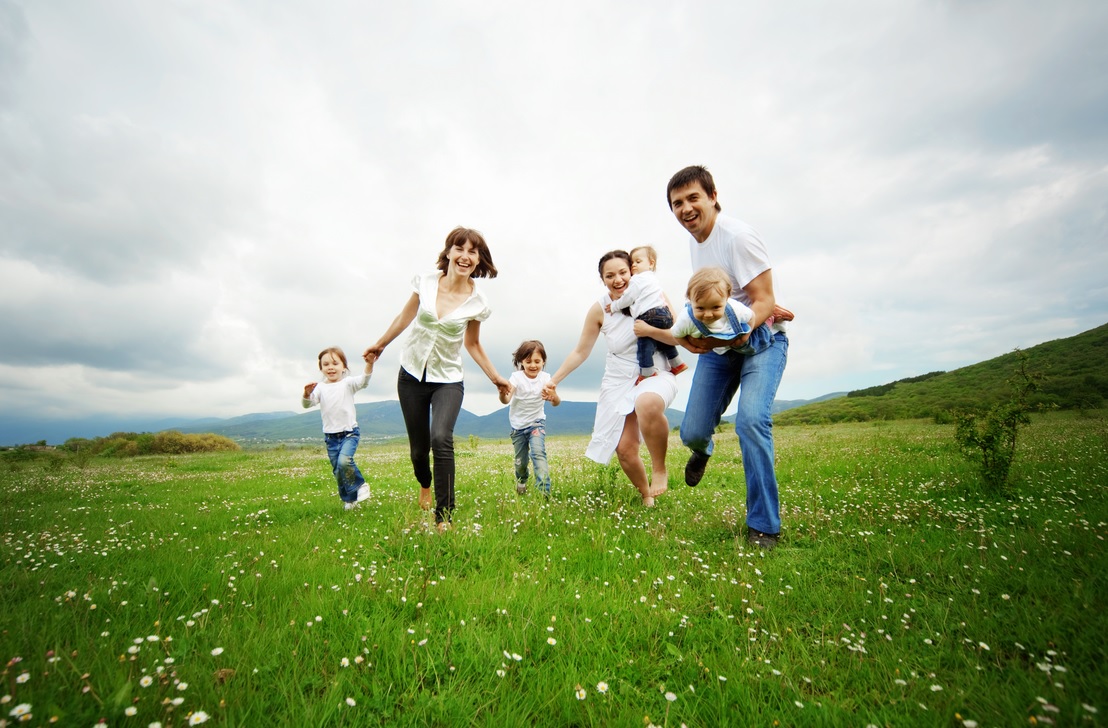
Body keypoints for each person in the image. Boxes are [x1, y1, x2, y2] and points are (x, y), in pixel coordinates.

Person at [665, 165, 790, 550]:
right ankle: (702, 451)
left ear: (713, 196)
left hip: (761, 341)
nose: (685, 209)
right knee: (692, 431)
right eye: (677, 204)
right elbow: (707, 299)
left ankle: (764, 526)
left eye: (693, 198)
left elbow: (764, 299)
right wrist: (691, 340)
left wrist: (740, 332)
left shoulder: (737, 237)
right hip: (719, 347)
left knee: (751, 422)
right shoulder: (695, 241)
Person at [364, 227, 510, 531]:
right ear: (448, 253)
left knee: (441, 438)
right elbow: (404, 318)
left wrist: (496, 378)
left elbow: (472, 344)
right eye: (460, 249)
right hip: (411, 375)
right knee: (419, 450)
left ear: (479, 260)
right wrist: (380, 344)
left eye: (473, 252)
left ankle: (444, 518)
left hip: (448, 378)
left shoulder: (478, 302)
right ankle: (425, 484)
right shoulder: (426, 283)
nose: (466, 256)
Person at [543, 250, 679, 506]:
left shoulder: (653, 295)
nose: (617, 279)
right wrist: (555, 380)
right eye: (610, 275)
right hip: (618, 380)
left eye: (622, 272)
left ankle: (659, 469)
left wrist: (649, 330)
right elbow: (581, 351)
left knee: (647, 402)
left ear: (632, 272)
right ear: (602, 279)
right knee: (625, 450)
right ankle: (646, 496)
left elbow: (679, 337)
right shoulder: (600, 309)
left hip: (655, 372)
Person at [301, 346, 374, 511]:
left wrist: (370, 364)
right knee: (338, 471)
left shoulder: (348, 384)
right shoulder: (320, 388)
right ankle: (349, 500)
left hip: (349, 433)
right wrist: (306, 394)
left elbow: (364, 381)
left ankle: (361, 485)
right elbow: (307, 404)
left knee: (344, 462)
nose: (330, 367)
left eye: (335, 363)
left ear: (344, 367)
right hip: (330, 437)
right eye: (326, 364)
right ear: (321, 368)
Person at [605, 245, 688, 382]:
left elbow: (628, 298)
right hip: (664, 313)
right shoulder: (653, 279)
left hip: (649, 315)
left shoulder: (637, 280)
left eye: (638, 262)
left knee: (644, 345)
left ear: (651, 263)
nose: (634, 266)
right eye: (632, 263)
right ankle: (677, 363)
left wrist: (614, 306)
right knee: (663, 342)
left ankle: (647, 372)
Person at [671, 267, 780, 356]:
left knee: (759, 342)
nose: (708, 314)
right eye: (700, 308)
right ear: (690, 299)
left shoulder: (735, 309)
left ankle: (770, 319)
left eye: (716, 307)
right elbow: (676, 334)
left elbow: (751, 317)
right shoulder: (686, 319)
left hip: (742, 342)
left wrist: (745, 336)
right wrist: (691, 348)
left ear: (727, 297)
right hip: (716, 351)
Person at [499, 339, 560, 496]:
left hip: (536, 424)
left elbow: (556, 403)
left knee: (538, 453)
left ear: (543, 361)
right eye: (528, 361)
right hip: (518, 427)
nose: (533, 365)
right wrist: (502, 393)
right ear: (521, 362)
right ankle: (521, 482)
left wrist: (553, 397)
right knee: (521, 462)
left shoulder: (546, 378)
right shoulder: (516, 378)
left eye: (537, 361)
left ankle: (543, 493)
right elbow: (506, 400)